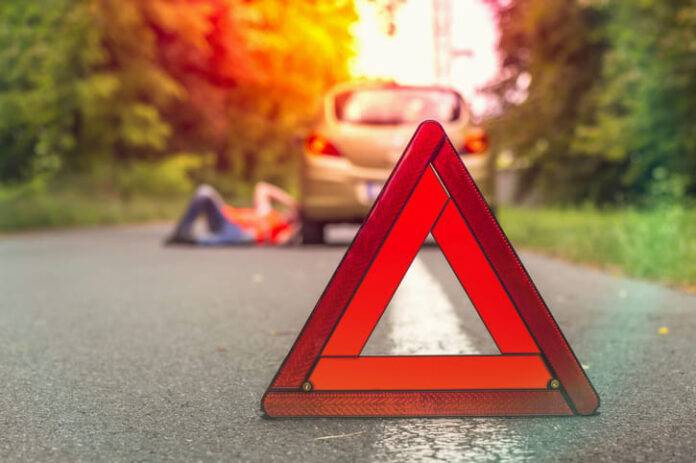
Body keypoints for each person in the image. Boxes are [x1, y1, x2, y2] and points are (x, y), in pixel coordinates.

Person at [166, 182, 299, 245]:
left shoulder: (283, 231)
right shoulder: (268, 212)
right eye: (293, 212)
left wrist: (299, 223)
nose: (292, 214)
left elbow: (285, 241)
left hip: (241, 236)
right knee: (205, 192)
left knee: (247, 237)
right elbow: (262, 188)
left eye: (296, 215)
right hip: (225, 219)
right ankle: (182, 233)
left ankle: (198, 241)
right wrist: (293, 203)